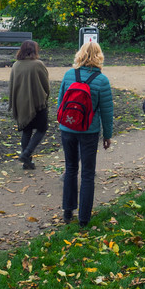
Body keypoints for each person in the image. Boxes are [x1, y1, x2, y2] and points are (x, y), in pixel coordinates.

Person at [57, 40, 114, 227]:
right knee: (88, 173)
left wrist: (63, 125)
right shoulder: (101, 80)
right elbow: (106, 111)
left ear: (79, 54)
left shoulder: (68, 75)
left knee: (71, 168)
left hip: (68, 129)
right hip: (89, 131)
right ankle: (84, 218)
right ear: (99, 56)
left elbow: (60, 103)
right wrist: (107, 135)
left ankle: (67, 211)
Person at [9, 40, 50, 170]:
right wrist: (45, 97)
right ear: (34, 50)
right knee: (42, 129)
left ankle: (27, 162)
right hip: (38, 103)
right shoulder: (38, 64)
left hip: (21, 104)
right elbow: (45, 85)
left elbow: (13, 86)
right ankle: (26, 154)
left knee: (26, 131)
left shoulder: (16, 65)